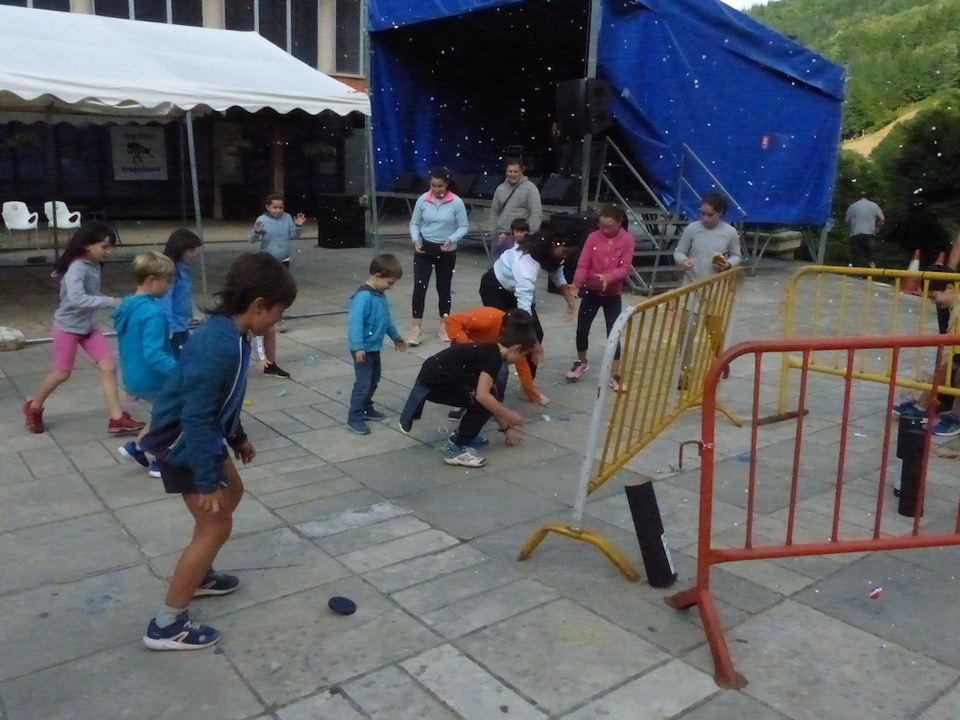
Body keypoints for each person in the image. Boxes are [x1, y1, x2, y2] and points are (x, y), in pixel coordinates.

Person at [140, 252, 297, 651]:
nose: (278, 321)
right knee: (216, 525)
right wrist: (207, 479)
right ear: (258, 305)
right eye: (278, 312)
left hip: (203, 435)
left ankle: (201, 575)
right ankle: (167, 624)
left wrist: (237, 436)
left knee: (234, 493)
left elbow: (225, 398)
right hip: (183, 441)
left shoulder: (235, 334)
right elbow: (195, 416)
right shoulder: (218, 344)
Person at [22, 221, 145, 436]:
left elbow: (90, 296)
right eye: (104, 246)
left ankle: (117, 418)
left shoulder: (93, 263)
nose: (109, 251)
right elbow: (77, 298)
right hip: (67, 329)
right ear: (88, 245)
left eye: (110, 246)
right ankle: (33, 407)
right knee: (61, 373)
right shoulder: (77, 267)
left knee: (108, 366)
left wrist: (116, 303)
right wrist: (111, 301)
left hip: (89, 328)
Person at [398, 313, 537, 467]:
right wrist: (508, 415)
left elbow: (492, 395)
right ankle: (455, 451)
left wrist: (506, 429)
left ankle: (461, 436)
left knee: (488, 399)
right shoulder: (493, 358)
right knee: (483, 403)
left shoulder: (490, 351)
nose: (521, 360)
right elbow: (483, 397)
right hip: (434, 383)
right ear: (517, 349)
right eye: (523, 355)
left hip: (437, 377)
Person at [479, 225, 578, 376]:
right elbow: (524, 304)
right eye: (564, 252)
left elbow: (557, 274)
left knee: (536, 333)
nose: (565, 256)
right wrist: (533, 341)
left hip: (515, 290)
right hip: (494, 289)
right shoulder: (526, 261)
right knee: (502, 333)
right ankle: (493, 375)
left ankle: (529, 380)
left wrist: (570, 300)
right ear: (553, 245)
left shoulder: (552, 255)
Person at [114, 251, 178, 478]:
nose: (170, 285)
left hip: (133, 375)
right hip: (153, 377)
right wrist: (181, 371)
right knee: (175, 415)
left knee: (163, 414)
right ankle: (160, 461)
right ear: (152, 280)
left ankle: (137, 447)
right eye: (167, 280)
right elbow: (154, 355)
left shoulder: (128, 305)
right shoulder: (153, 313)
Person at [565, 205, 636, 391]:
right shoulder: (593, 237)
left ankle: (615, 374)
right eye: (601, 225)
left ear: (619, 223)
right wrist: (577, 284)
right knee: (582, 328)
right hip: (591, 291)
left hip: (613, 294)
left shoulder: (627, 240)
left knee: (613, 333)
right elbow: (583, 264)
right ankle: (581, 362)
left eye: (609, 226)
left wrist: (610, 277)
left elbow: (625, 267)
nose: (604, 230)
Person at [346, 253, 407, 435]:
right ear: (377, 276)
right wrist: (358, 347)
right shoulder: (363, 297)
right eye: (389, 283)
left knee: (374, 379)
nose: (390, 287)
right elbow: (355, 323)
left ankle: (366, 407)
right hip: (363, 348)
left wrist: (395, 336)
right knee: (363, 383)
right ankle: (354, 417)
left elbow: (385, 319)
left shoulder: (379, 295)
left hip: (373, 347)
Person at [408, 166, 468, 346]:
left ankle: (444, 325)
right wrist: (416, 239)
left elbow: (463, 226)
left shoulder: (456, 202)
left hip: (446, 250)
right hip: (425, 249)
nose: (436, 190)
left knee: (444, 288)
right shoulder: (423, 200)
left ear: (447, 184)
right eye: (433, 186)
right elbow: (414, 222)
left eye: (440, 186)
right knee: (420, 288)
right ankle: (416, 328)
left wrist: (451, 239)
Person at [444, 306, 548, 406]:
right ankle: (465, 401)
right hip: (466, 346)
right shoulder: (489, 319)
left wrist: (533, 395)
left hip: (487, 349)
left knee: (501, 371)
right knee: (468, 375)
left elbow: (521, 362)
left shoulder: (515, 333)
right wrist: (470, 346)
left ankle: (496, 402)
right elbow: (452, 320)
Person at [250, 192, 304, 375]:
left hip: (284, 259)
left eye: (281, 207)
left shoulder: (287, 218)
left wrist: (298, 226)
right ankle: (269, 318)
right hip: (268, 261)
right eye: (275, 207)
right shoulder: (262, 220)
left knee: (281, 292)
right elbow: (252, 240)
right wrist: (256, 231)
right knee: (268, 294)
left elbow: (294, 235)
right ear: (268, 207)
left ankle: (277, 317)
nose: (278, 210)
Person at [673, 192, 742, 283]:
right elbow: (679, 252)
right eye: (702, 213)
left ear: (720, 213)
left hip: (717, 284)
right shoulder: (691, 228)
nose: (705, 218)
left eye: (710, 215)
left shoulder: (730, 232)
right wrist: (684, 260)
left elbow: (736, 256)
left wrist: (728, 264)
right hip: (692, 283)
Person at [159, 228, 202, 359]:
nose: (195, 254)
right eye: (191, 251)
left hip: (182, 322)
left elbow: (184, 294)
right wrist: (169, 328)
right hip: (174, 325)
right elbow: (165, 300)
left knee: (188, 355)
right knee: (179, 358)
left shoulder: (184, 267)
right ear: (180, 250)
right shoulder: (171, 271)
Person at [488, 158, 542, 237]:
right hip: (501, 235)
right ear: (506, 172)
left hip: (520, 236)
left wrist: (530, 234)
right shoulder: (500, 189)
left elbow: (536, 214)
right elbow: (494, 212)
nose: (512, 174)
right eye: (510, 171)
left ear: (521, 171)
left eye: (515, 171)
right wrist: (493, 232)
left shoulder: (531, 189)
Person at [845, 195, 885, 268]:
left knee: (856, 257)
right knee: (869, 256)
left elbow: (847, 221)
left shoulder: (852, 206)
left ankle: (856, 270)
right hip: (869, 235)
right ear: (868, 197)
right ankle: (870, 268)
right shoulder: (874, 205)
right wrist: (877, 228)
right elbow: (882, 219)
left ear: (858, 198)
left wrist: (852, 227)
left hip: (856, 235)